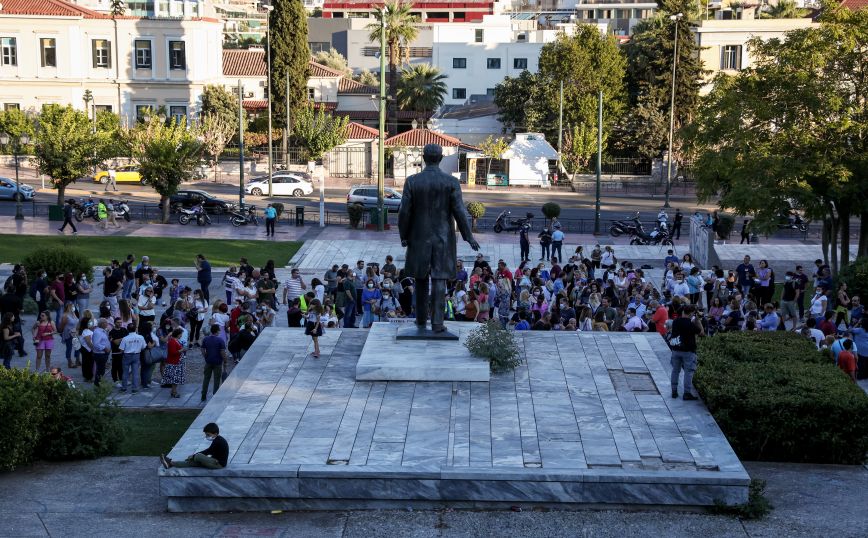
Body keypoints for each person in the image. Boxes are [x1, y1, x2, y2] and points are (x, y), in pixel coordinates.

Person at [398, 143, 479, 334]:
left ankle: (419, 321)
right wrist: (469, 236)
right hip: (443, 238)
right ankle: (437, 323)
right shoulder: (450, 182)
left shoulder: (412, 181)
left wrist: (404, 235)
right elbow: (460, 211)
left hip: (418, 238)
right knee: (439, 281)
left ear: (424, 158)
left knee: (420, 280)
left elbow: (404, 213)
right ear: (441, 158)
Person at [669, 304, 704, 401]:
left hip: (676, 349)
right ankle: (687, 393)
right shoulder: (690, 324)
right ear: (692, 313)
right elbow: (701, 333)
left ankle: (674, 391)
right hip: (688, 351)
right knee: (688, 372)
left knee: (675, 370)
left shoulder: (676, 321)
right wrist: (698, 320)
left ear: (683, 311)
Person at [160, 423, 228, 469]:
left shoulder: (219, 441)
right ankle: (170, 463)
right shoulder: (217, 439)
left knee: (198, 456)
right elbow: (209, 451)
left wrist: (194, 456)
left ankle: (192, 458)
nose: (207, 436)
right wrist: (194, 457)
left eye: (208, 435)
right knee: (192, 463)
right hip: (214, 461)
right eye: (206, 435)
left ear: (215, 434)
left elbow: (208, 451)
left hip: (218, 464)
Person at [201, 324, 227, 402]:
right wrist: (225, 361)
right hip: (218, 363)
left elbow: (202, 349)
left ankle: (203, 395)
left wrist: (205, 356)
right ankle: (215, 394)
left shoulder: (206, 339)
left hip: (208, 362)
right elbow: (222, 352)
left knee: (206, 379)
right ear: (217, 331)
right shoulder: (220, 340)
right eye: (219, 330)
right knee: (217, 379)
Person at [118, 324, 146, 393]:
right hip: (136, 355)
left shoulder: (125, 338)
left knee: (125, 372)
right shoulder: (140, 337)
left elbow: (121, 350)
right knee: (135, 372)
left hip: (127, 355)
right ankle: (135, 389)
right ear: (135, 329)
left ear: (127, 330)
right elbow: (143, 347)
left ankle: (124, 388)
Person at [164, 328, 186, 398]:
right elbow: (173, 352)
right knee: (174, 379)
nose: (181, 336)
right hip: (174, 363)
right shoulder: (172, 342)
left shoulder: (175, 341)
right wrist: (182, 350)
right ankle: (174, 392)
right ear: (178, 334)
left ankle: (173, 391)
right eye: (181, 334)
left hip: (177, 362)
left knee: (175, 379)